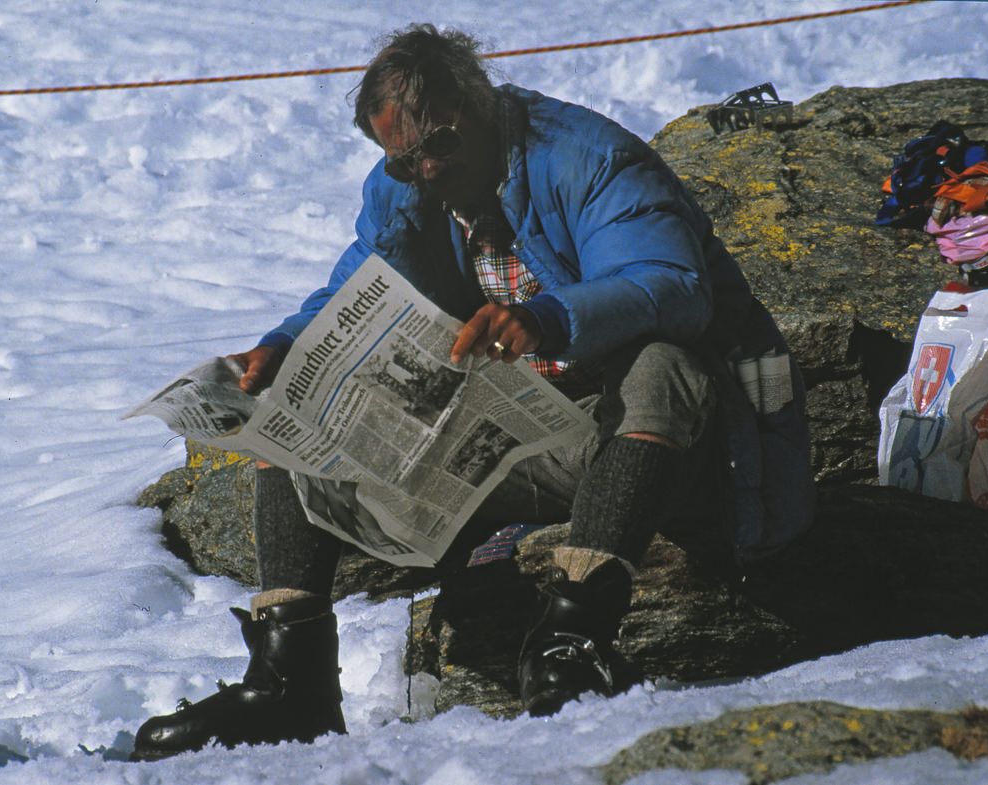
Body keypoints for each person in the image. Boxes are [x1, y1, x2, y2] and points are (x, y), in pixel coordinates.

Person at [130, 23, 813, 761]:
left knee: (663, 363)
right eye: (402, 161)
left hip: (643, 440)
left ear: (482, 104)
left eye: (439, 146)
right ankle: (289, 683)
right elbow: (349, 289)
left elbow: (672, 285)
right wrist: (282, 348)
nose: (424, 171)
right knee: (290, 410)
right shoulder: (403, 194)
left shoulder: (586, 158)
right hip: (514, 441)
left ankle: (571, 642)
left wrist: (550, 318)